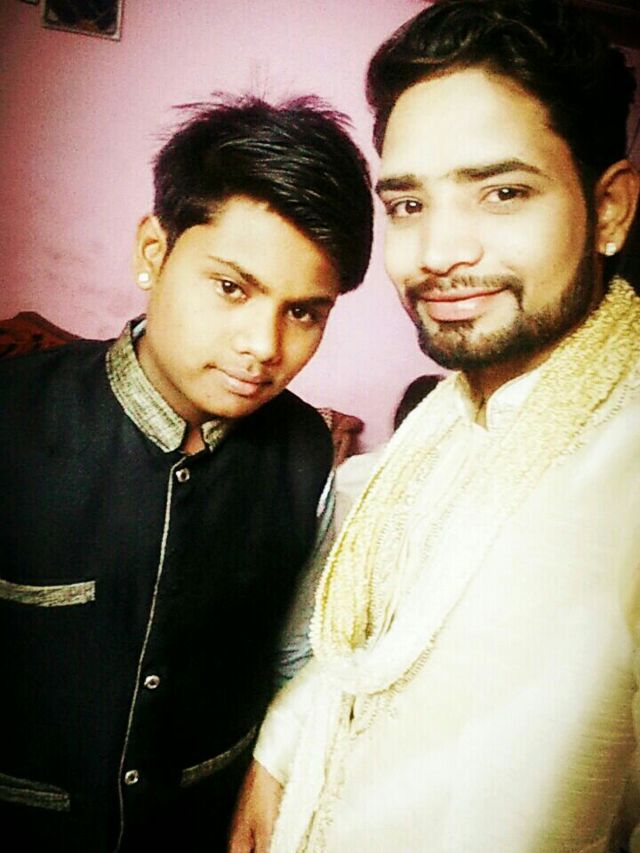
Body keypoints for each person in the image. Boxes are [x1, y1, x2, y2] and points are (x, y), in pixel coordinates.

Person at [229, 2, 640, 850]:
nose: (438, 252)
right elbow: (362, 650)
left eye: (503, 193)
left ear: (608, 209)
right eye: (409, 204)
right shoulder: (434, 432)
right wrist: (278, 753)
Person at [0, 95, 373, 852]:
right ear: (152, 252)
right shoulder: (12, 416)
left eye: (304, 312)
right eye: (232, 287)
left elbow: (295, 659)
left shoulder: (310, 453)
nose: (263, 345)